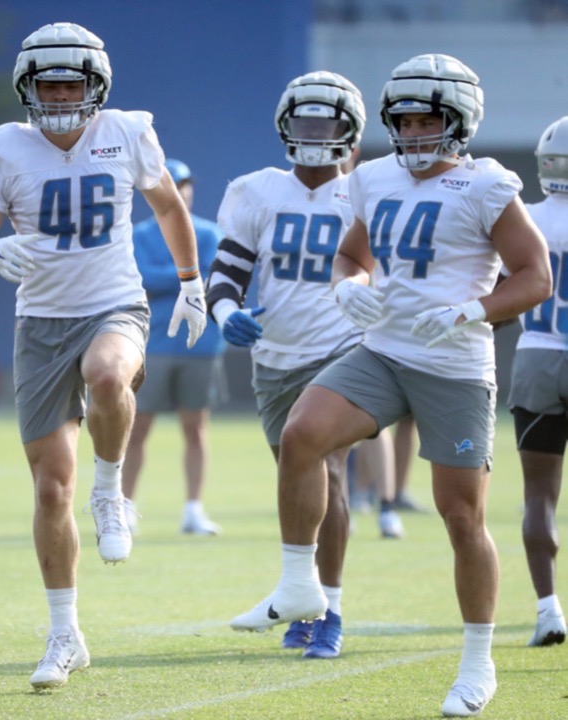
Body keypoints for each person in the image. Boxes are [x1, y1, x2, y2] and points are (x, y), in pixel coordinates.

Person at [228, 53, 552, 717]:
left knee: (461, 517)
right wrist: (351, 287)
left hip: (455, 365)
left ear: (458, 120)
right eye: (400, 119)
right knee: (301, 435)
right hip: (381, 351)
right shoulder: (373, 178)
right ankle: (299, 586)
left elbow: (535, 277)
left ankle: (476, 661)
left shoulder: (487, 185)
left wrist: (473, 309)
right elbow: (352, 253)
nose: (410, 130)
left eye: (425, 117)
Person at [0, 22, 206, 691]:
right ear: (27, 88)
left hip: (113, 305)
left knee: (106, 374)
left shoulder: (124, 132)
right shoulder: (2, 150)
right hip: (38, 323)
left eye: (72, 82)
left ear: (95, 87)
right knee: (48, 488)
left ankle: (112, 490)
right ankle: (65, 632)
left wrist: (190, 282)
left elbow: (168, 209)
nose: (61, 94)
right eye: (49, 83)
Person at [207, 70, 393, 659]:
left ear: (350, 130)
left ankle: (328, 611)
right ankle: (302, 594)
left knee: (329, 472)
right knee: (297, 482)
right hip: (275, 356)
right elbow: (229, 270)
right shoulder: (255, 190)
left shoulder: (369, 189)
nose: (315, 133)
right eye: (305, 121)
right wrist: (224, 311)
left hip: (344, 349)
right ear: (285, 125)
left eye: (327, 122)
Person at [121, 158, 225, 536]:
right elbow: (139, 277)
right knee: (137, 428)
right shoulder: (136, 235)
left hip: (201, 345)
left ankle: (193, 510)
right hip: (152, 345)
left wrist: (183, 278)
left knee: (196, 429)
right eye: (174, 185)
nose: (181, 191)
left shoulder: (211, 233)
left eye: (185, 184)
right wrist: (187, 275)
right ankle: (125, 507)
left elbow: (214, 277)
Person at [507, 116, 568, 648]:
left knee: (539, 496)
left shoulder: (525, 218)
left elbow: (499, 292)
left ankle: (548, 609)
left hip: (535, 360)